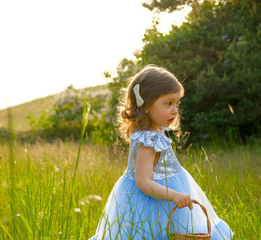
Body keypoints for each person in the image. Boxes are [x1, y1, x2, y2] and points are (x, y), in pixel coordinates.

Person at [89, 65, 234, 240]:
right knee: (155, 233)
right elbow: (143, 181)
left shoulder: (155, 133)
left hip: (165, 195)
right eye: (168, 103)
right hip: (154, 201)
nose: (175, 110)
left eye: (176, 103)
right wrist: (173, 195)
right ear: (147, 106)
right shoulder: (149, 141)